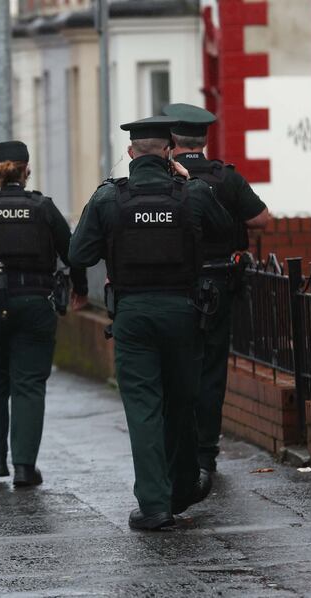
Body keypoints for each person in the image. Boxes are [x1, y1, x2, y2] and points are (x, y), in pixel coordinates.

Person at [69, 116, 233, 530]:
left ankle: (155, 505)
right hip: (183, 312)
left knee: (144, 408)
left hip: (134, 315)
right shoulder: (192, 191)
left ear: (130, 153)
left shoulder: (109, 198)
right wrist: (187, 182)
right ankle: (182, 488)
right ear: (169, 151)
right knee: (181, 402)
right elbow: (228, 233)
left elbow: (79, 253)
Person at [0, 140, 89, 488]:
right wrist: (80, 290)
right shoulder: (43, 207)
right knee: (28, 384)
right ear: (26, 171)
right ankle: (25, 467)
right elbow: (73, 253)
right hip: (33, 301)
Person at [162, 103, 271, 480]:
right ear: (204, 139)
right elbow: (261, 219)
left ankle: (179, 448)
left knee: (174, 366)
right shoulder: (226, 177)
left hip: (174, 286)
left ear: (172, 139)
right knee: (211, 369)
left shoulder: (164, 177)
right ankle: (206, 451)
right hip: (219, 284)